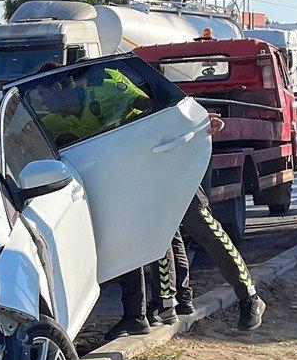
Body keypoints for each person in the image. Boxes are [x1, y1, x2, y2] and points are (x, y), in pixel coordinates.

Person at [109, 113, 266, 339]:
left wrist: (199, 119)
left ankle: (249, 296)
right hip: (139, 170)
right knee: (159, 235)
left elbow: (174, 104)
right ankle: (166, 304)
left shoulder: (117, 82)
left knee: (203, 227)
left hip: (172, 164)